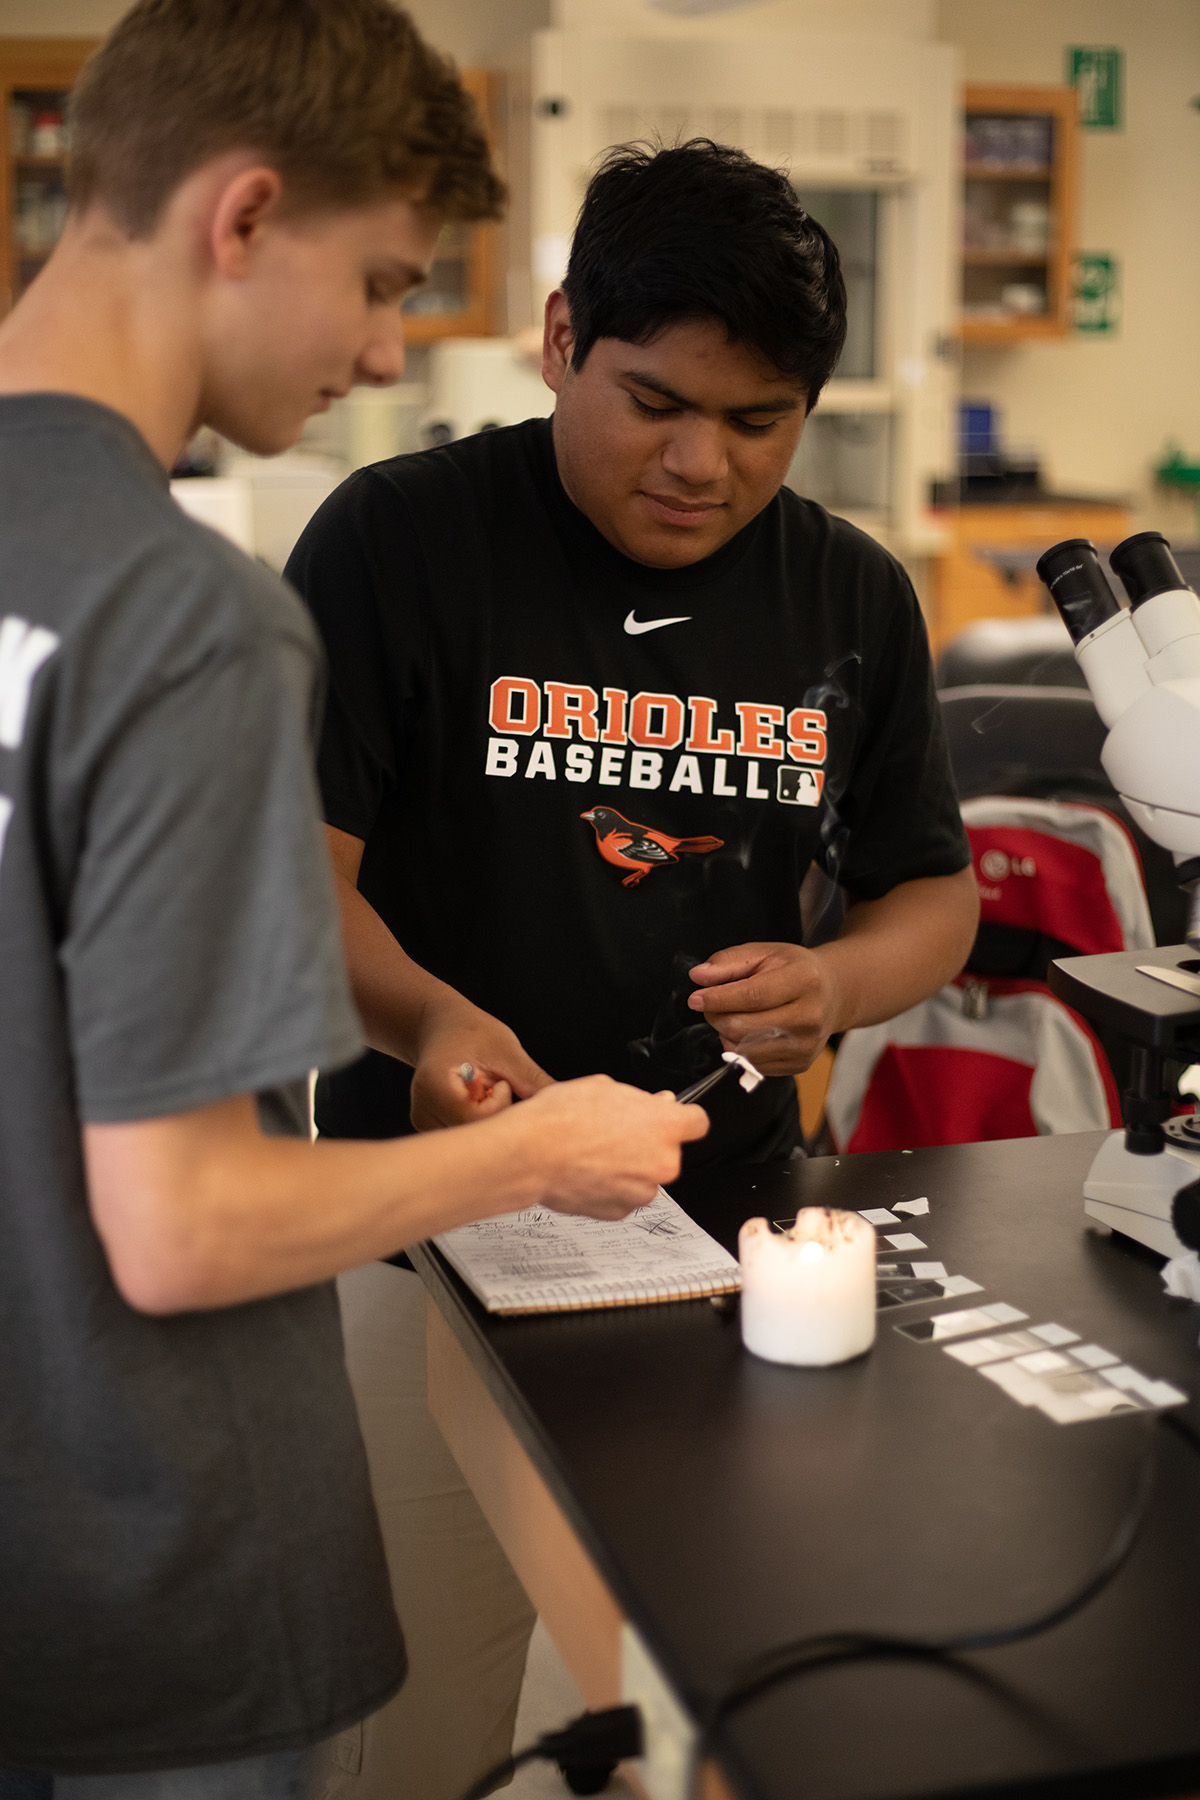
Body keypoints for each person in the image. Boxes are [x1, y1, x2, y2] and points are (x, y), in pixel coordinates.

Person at [0, 8, 708, 1796]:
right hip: (159, 1591)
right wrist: (552, 1155)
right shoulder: (190, 621)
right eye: (382, 281)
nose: (390, 347)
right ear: (242, 218)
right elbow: (185, 1225)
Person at [286, 141, 979, 1799]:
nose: (702, 465)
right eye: (656, 402)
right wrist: (439, 1014)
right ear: (559, 337)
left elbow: (931, 897)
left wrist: (838, 987)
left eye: (759, 423)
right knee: (412, 1723)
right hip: (420, 1237)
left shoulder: (854, 596)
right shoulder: (400, 540)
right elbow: (293, 888)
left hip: (736, 1250)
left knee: (694, 1716)